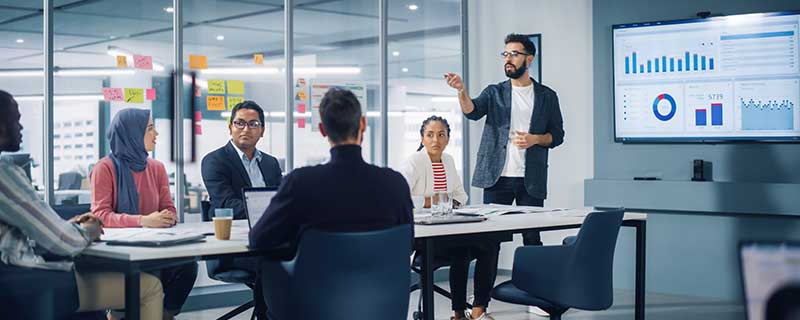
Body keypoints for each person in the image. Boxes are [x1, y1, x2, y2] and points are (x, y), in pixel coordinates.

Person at [0, 90, 164, 319]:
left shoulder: (155, 167)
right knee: (149, 287)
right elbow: (64, 242)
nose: (20, 127)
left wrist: (68, 227)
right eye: (14, 119)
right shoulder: (4, 172)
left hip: (15, 282)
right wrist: (88, 229)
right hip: (21, 284)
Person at [445, 33, 564, 317]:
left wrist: (536, 139)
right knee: (488, 243)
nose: (508, 59)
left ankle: (537, 297)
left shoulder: (547, 96)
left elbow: (557, 136)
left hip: (530, 178)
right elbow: (472, 112)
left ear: (529, 58)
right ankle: (480, 307)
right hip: (496, 177)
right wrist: (461, 90)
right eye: (505, 54)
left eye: (514, 54)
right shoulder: (494, 92)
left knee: (532, 239)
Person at [249, 87, 413, 254]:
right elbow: (407, 243)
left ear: (322, 130)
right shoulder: (395, 183)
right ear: (362, 124)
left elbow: (258, 239)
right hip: (383, 279)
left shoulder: (300, 183)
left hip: (318, 279)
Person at [90, 108, 198, 319]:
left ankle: (164, 315)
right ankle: (121, 313)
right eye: (149, 128)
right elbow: (101, 216)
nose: (156, 134)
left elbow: (170, 208)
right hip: (120, 253)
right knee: (148, 272)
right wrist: (144, 221)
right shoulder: (104, 168)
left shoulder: (157, 168)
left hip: (155, 248)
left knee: (188, 266)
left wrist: (167, 217)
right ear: (132, 133)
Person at [401, 115, 498, 320]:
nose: (435, 140)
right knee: (460, 251)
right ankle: (458, 313)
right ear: (422, 138)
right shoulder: (414, 161)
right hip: (423, 236)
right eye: (430, 135)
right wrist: (433, 201)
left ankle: (478, 310)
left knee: (490, 244)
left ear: (447, 139)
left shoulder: (448, 160)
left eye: (441, 135)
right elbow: (401, 197)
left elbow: (461, 196)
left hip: (449, 227)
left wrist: (446, 202)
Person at [201, 100, 282, 319]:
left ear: (262, 130)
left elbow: (282, 201)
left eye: (253, 124)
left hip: (269, 241)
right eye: (240, 123)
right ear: (230, 127)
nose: (246, 129)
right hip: (233, 249)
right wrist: (271, 211)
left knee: (303, 255)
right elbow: (227, 204)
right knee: (274, 263)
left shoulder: (271, 164)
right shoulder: (214, 161)